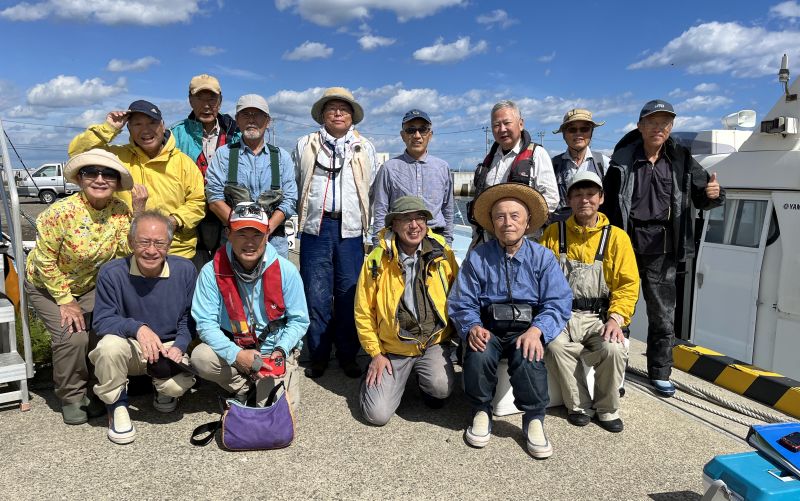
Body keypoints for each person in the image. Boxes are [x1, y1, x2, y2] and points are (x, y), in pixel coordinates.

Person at [601, 99, 724, 397]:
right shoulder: (622, 158)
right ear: (641, 126)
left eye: (665, 123)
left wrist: (713, 195)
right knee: (620, 310)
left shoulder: (680, 157)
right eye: (653, 123)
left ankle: (660, 372)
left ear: (670, 128)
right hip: (626, 243)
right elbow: (605, 201)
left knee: (662, 315)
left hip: (665, 246)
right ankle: (615, 374)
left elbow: (703, 195)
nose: (659, 128)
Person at [448, 182, 572, 459]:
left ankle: (534, 417)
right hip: (489, 326)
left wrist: (539, 330)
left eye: (515, 216)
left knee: (529, 355)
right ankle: (481, 410)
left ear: (528, 221)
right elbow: (461, 301)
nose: (507, 223)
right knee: (478, 352)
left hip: (526, 328)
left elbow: (558, 301)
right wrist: (472, 326)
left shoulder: (543, 257)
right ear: (492, 222)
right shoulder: (478, 257)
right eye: (500, 216)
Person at [24, 149, 141, 424]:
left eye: (108, 174)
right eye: (91, 172)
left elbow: (127, 249)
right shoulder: (60, 213)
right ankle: (72, 395)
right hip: (47, 285)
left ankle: (97, 387)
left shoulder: (120, 210)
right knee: (72, 335)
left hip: (89, 285)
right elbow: (44, 260)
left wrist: (140, 212)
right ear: (80, 178)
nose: (100, 179)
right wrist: (65, 300)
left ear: (116, 182)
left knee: (102, 329)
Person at [541, 172, 639, 433]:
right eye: (578, 194)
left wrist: (616, 318)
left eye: (591, 194)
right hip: (561, 314)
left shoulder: (617, 238)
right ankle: (579, 405)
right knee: (554, 344)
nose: (585, 200)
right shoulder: (552, 233)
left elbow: (627, 285)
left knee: (614, 348)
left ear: (601, 198)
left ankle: (607, 408)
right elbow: (539, 278)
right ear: (569, 200)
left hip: (600, 316)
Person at [89, 211, 197, 444]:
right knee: (108, 347)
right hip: (130, 347)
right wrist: (138, 328)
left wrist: (179, 346)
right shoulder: (111, 272)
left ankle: (162, 388)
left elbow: (189, 318)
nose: (151, 250)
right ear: (130, 242)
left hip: (167, 347)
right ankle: (116, 404)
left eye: (159, 243)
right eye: (143, 242)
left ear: (169, 244)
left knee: (178, 384)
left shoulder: (185, 270)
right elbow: (102, 320)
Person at [293, 87, 379, 379]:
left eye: (344, 108)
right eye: (332, 108)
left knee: (349, 293)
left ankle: (347, 354)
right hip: (316, 226)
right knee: (315, 293)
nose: (338, 113)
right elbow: (296, 181)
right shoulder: (305, 144)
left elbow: (370, 188)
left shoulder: (364, 146)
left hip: (351, 229)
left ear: (352, 115)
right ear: (323, 114)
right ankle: (317, 354)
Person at [191, 203, 309, 411]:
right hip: (235, 345)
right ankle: (243, 386)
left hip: (274, 348)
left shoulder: (287, 271)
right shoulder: (211, 272)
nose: (249, 243)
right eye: (241, 234)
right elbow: (205, 324)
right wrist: (236, 354)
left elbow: (299, 321)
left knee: (278, 411)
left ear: (267, 234)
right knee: (201, 357)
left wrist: (281, 349)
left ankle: (260, 387)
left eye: (256, 235)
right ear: (228, 234)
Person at [355, 196, 458, 425]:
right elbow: (363, 311)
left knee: (440, 390)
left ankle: (424, 380)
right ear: (394, 225)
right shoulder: (376, 260)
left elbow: (459, 296)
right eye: (406, 219)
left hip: (431, 343)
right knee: (376, 415)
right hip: (393, 349)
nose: (414, 225)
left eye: (420, 218)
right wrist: (375, 353)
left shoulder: (443, 252)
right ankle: (373, 377)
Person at [68, 100, 206, 259]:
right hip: (124, 252)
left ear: (162, 125)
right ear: (128, 129)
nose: (146, 130)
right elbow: (77, 154)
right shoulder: (116, 157)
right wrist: (108, 128)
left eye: (152, 122)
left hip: (175, 251)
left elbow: (198, 202)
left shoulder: (183, 162)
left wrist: (172, 221)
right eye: (137, 124)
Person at [205, 94, 297, 258]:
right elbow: (214, 198)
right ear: (237, 120)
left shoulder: (282, 157)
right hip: (232, 242)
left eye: (258, 115)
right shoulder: (223, 155)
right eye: (246, 114)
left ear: (267, 121)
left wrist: (265, 230)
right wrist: (241, 229)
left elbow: (289, 200)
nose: (252, 120)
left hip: (274, 243)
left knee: (274, 283)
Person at [171, 74, 241, 265]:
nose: (206, 105)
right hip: (190, 216)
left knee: (226, 272)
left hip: (226, 213)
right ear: (190, 101)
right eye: (200, 98)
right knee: (193, 273)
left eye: (212, 98)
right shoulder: (175, 134)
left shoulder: (236, 133)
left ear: (220, 100)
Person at [468, 100, 558, 246]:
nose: (502, 129)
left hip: (525, 242)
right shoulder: (489, 160)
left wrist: (521, 225)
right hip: (488, 241)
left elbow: (551, 199)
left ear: (521, 124)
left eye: (507, 123)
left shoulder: (537, 154)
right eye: (496, 125)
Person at [370, 109, 454, 246]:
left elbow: (448, 210)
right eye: (411, 130)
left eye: (423, 130)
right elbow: (381, 210)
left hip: (436, 239)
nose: (417, 135)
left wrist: (448, 242)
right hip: (400, 239)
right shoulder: (388, 169)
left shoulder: (442, 168)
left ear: (430, 135)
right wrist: (378, 245)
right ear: (403, 135)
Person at [550, 109, 610, 223]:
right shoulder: (552, 165)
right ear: (564, 134)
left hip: (596, 235)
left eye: (584, 129)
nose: (578, 133)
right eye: (572, 129)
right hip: (561, 234)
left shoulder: (604, 163)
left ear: (591, 132)